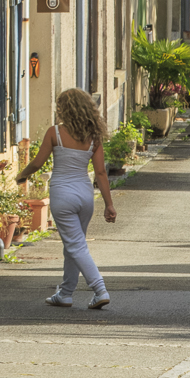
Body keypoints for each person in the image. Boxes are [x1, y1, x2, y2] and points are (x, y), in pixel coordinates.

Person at [16, 88, 117, 309]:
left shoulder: (55, 133)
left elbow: (37, 163)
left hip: (62, 195)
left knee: (76, 246)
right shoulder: (94, 137)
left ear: (65, 109)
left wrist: (22, 175)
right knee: (74, 245)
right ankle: (66, 293)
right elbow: (100, 173)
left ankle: (100, 289)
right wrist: (109, 204)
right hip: (85, 196)